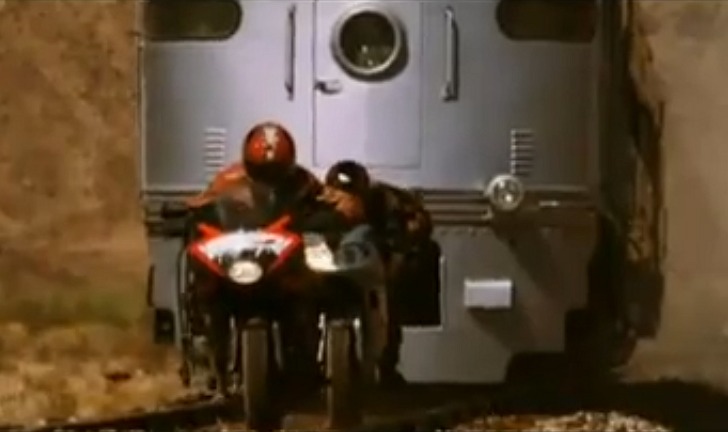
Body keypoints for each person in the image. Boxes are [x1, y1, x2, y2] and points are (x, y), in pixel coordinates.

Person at [184, 122, 365, 396]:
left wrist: (344, 209)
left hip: (282, 262)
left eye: (276, 171)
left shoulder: (303, 181)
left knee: (309, 289)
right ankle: (206, 357)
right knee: (206, 291)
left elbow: (332, 200)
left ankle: (305, 358)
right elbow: (201, 204)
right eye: (262, 171)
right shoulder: (227, 180)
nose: (268, 179)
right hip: (239, 258)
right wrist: (188, 217)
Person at [324, 160, 434, 387]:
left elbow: (409, 233)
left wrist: (394, 260)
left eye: (347, 198)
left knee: (389, 301)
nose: (341, 204)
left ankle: (386, 365)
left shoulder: (389, 204)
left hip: (386, 251)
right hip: (341, 260)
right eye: (334, 197)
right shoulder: (321, 202)